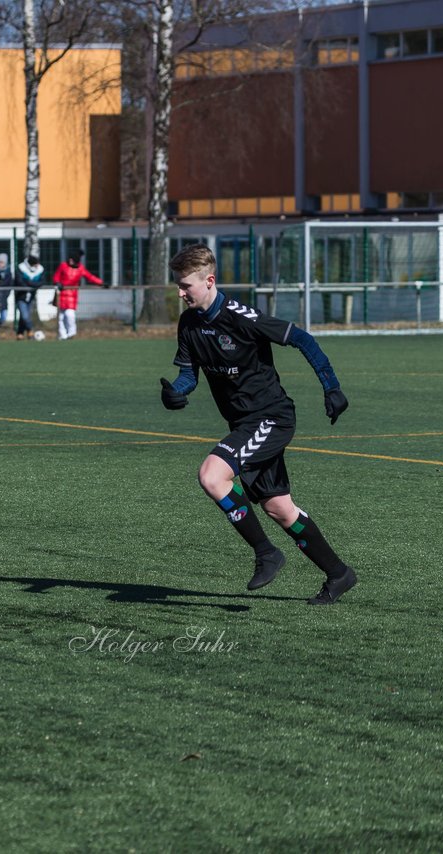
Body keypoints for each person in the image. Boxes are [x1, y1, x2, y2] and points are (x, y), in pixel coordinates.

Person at [161, 243, 355, 605]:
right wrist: (176, 392)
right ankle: (339, 573)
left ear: (209, 281)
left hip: (271, 417)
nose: (180, 291)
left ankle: (266, 553)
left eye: (185, 285)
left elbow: (302, 338)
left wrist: (332, 387)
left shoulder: (241, 317)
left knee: (212, 475)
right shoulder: (189, 323)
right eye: (178, 284)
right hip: (244, 422)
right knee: (280, 508)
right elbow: (188, 375)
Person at [52, 249, 102, 340]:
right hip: (61, 294)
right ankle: (62, 336)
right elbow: (56, 276)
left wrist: (101, 283)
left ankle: (71, 333)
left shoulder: (80, 268)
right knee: (61, 317)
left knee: (70, 314)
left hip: (72, 294)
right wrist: (57, 283)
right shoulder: (63, 266)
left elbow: (90, 277)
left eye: (72, 259)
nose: (70, 260)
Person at [13, 254, 45, 339]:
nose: (37, 265)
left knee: (24, 316)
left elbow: (41, 282)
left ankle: (20, 334)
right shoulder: (21, 268)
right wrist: (32, 285)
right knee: (25, 316)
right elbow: (20, 281)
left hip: (31, 297)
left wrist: (29, 283)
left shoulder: (40, 270)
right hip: (21, 296)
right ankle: (31, 332)